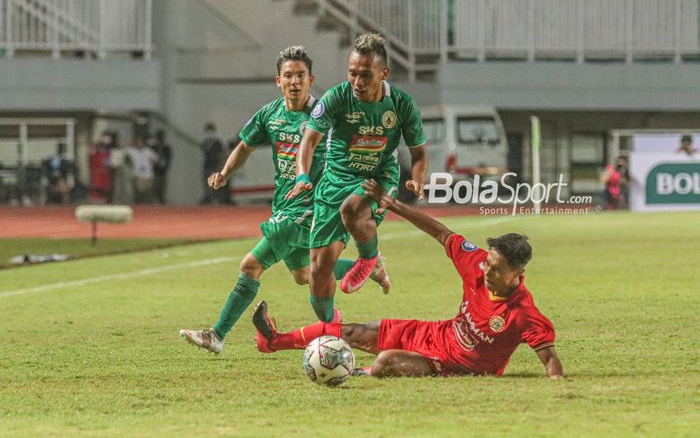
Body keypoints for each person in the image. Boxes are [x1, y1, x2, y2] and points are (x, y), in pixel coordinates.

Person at [179, 46, 391, 355]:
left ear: (311, 79)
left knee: (250, 265)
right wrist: (224, 174)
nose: (295, 82)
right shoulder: (270, 114)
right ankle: (360, 277)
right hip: (283, 203)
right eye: (289, 76)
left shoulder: (326, 115)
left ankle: (217, 334)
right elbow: (244, 146)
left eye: (301, 76)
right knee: (304, 274)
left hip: (312, 208)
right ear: (278, 81)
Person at [252, 179, 564, 379]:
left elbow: (550, 361)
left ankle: (355, 372)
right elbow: (441, 232)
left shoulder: (524, 314)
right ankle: (272, 342)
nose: (486, 270)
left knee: (387, 361)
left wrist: (558, 387)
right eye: (487, 263)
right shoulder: (477, 263)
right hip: (437, 334)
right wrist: (394, 205)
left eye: (496, 269)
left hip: (456, 367)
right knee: (353, 330)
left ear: (518, 275)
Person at [285, 33, 428, 324]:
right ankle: (331, 327)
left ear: (384, 73)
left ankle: (368, 258)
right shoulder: (337, 98)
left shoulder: (401, 105)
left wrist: (417, 179)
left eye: (365, 75)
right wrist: (302, 174)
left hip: (379, 176)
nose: (358, 82)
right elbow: (309, 142)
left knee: (352, 208)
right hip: (335, 180)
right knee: (318, 271)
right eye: (352, 74)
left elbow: (419, 154)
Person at [200, 122, 227, 204]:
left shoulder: (217, 142)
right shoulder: (205, 143)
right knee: (207, 183)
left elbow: (221, 154)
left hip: (215, 165)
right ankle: (209, 198)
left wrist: (220, 165)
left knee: (215, 183)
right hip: (208, 165)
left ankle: (217, 199)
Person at [126, 135, 158, 204]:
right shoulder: (132, 151)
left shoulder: (148, 151)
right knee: (138, 193)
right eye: (138, 142)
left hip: (147, 175)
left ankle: (147, 206)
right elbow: (125, 151)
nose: (139, 143)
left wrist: (151, 164)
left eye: (141, 142)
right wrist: (130, 143)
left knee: (147, 193)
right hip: (138, 175)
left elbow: (155, 159)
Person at [151, 130, 172, 204]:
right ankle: (154, 200)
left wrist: (166, 165)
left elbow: (169, 158)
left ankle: (161, 199)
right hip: (155, 170)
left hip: (163, 170)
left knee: (162, 186)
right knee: (155, 186)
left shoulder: (166, 147)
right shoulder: (154, 147)